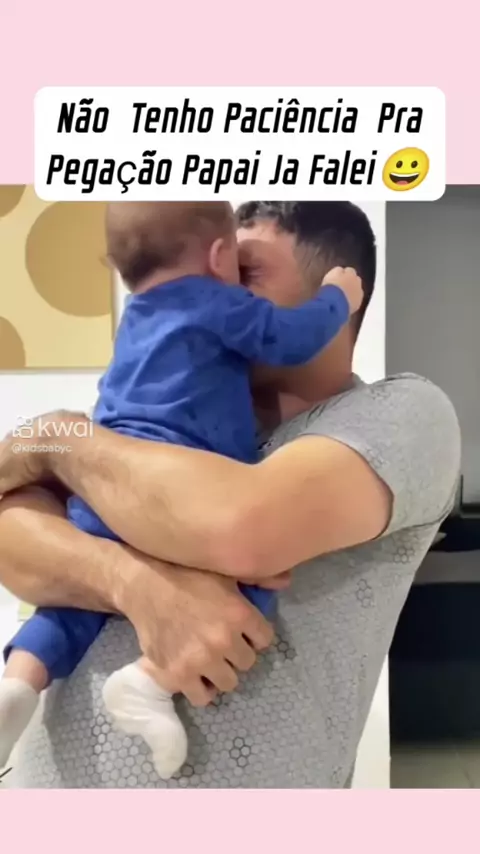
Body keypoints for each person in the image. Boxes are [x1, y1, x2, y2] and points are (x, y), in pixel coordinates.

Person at [0, 201, 460, 789]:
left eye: (245, 273)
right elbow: (14, 538)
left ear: (339, 292)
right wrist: (133, 584)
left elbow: (242, 528)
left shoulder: (401, 412)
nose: (214, 285)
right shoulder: (164, 414)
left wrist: (56, 442)